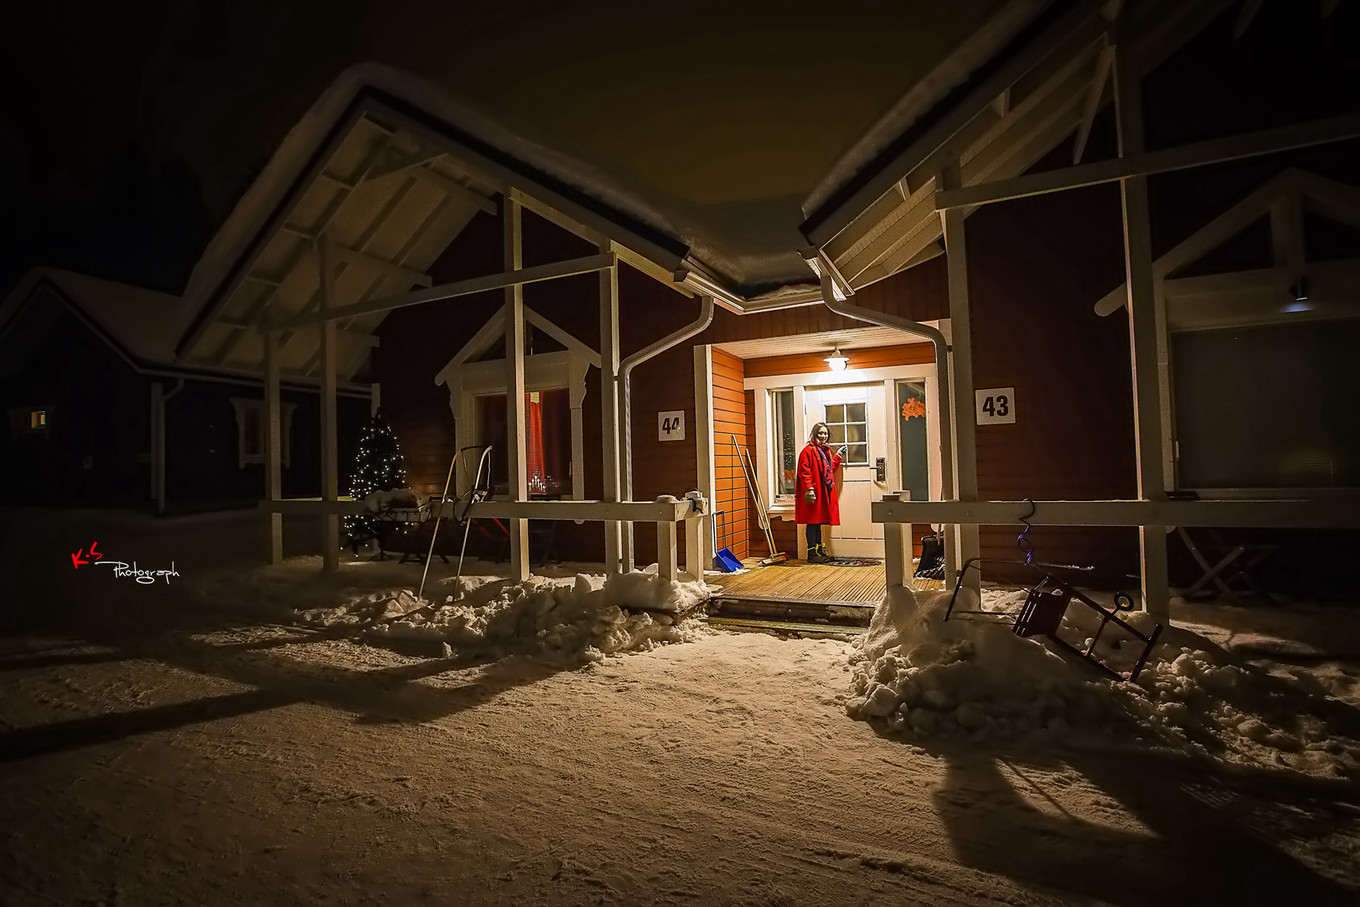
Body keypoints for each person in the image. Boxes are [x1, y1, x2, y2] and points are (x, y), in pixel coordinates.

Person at [795, 422, 845, 564]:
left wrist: (838, 455)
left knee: (818, 523)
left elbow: (829, 469)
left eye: (825, 433)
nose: (823, 436)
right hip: (813, 493)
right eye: (820, 433)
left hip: (823, 492)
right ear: (814, 434)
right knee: (812, 522)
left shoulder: (824, 451)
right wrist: (809, 489)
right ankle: (812, 553)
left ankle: (819, 552)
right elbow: (804, 471)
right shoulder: (808, 451)